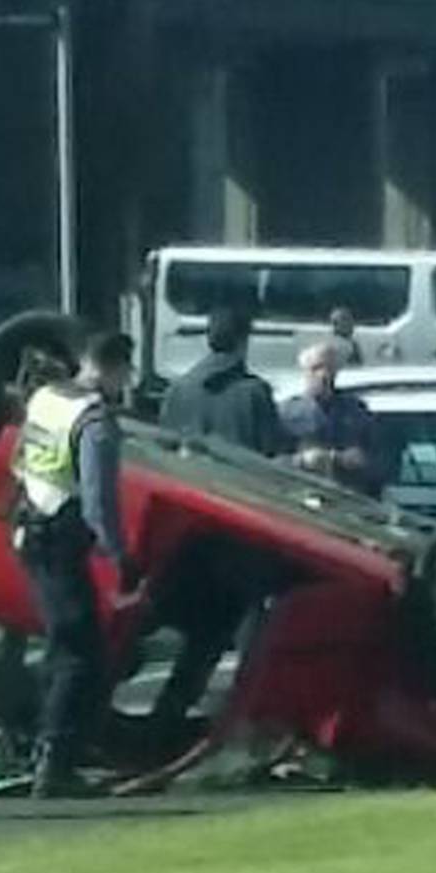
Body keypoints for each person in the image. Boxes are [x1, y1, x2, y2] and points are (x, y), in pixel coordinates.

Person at [12, 330, 139, 798]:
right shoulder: (95, 421)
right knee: (80, 653)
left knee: (60, 644)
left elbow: (19, 458)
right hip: (60, 538)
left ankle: (32, 743)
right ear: (113, 368)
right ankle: (56, 761)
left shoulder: (46, 398)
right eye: (126, 371)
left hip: (29, 526)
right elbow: (98, 501)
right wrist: (120, 556)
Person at [151, 303, 283, 730]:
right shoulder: (253, 394)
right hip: (243, 529)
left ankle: (168, 712)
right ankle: (249, 717)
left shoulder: (178, 393)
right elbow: (271, 463)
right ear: (245, 340)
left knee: (197, 629)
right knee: (247, 628)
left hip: (189, 530)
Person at [159, 303, 284, 454]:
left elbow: (165, 449)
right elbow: (271, 454)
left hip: (184, 476)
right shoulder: (255, 393)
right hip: (239, 477)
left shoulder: (176, 390)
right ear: (243, 339)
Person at [280, 340, 383, 497]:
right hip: (300, 497)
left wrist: (346, 459)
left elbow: (378, 460)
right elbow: (266, 461)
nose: (323, 375)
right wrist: (301, 460)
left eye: (329, 368)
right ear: (304, 371)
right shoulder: (286, 412)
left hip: (347, 498)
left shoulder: (355, 411)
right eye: (316, 368)